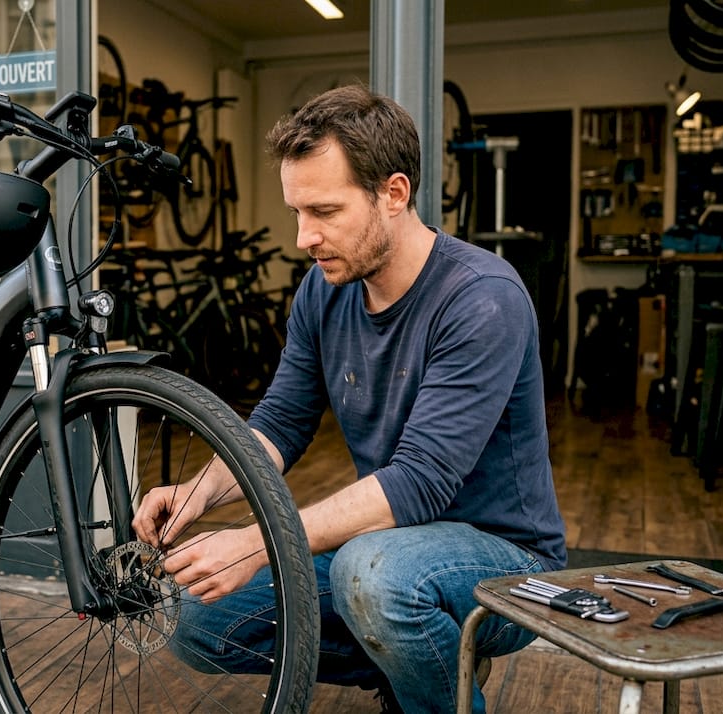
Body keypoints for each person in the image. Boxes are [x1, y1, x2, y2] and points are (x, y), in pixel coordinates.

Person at [132, 84, 567, 714]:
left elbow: (419, 482)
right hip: (388, 547)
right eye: (296, 214)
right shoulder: (324, 290)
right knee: (200, 619)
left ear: (394, 194)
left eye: (325, 212)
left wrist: (257, 542)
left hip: (508, 564)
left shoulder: (482, 297)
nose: (304, 237)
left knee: (375, 575)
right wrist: (196, 495)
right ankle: (410, 663)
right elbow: (279, 425)